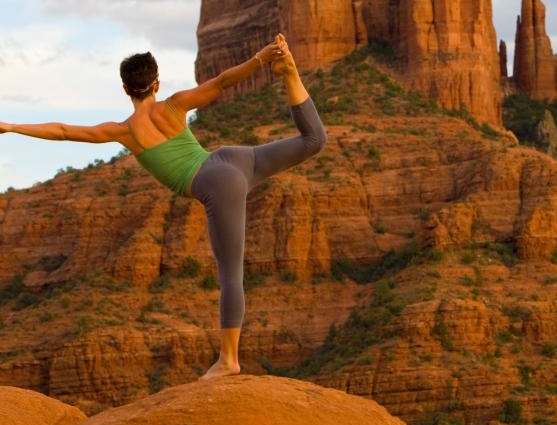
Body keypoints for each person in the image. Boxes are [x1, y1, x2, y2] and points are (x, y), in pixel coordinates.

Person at [0, 33, 326, 380]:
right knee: (313, 141)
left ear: (126, 89)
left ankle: (229, 360)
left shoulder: (125, 131)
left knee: (231, 276)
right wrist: (261, 59)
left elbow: (64, 130)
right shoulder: (175, 104)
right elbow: (223, 81)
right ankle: (290, 74)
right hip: (232, 158)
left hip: (216, 182)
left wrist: (12, 126)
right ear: (157, 82)